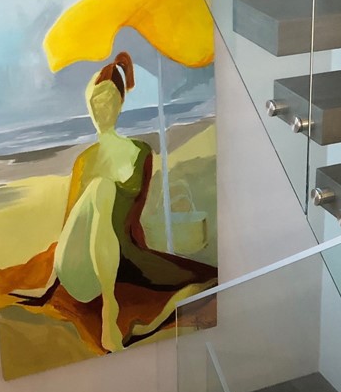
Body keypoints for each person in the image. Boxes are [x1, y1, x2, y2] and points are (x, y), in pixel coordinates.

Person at [13, 51, 217, 352]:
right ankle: (110, 311)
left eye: (108, 101)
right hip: (76, 266)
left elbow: (133, 220)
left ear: (120, 103)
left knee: (198, 279)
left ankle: (125, 306)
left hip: (118, 257)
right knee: (101, 186)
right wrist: (47, 288)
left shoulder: (140, 153)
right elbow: (71, 224)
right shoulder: (85, 160)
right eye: (95, 102)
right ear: (88, 106)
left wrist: (142, 260)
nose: (102, 109)